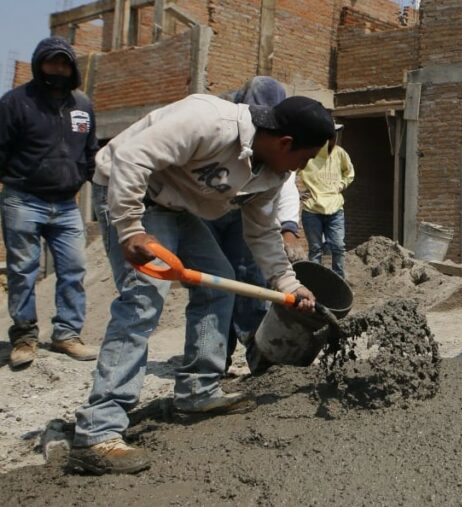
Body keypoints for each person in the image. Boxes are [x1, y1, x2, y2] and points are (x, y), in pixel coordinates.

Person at [68, 93, 335, 475]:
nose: (302, 168)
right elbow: (130, 157)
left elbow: (262, 231)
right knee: (143, 299)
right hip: (130, 192)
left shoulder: (273, 173)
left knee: (218, 285)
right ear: (285, 142)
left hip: (177, 206)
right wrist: (129, 228)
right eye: (305, 158)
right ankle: (98, 431)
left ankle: (197, 390)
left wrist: (289, 284)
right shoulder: (209, 121)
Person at [0, 37, 98, 369]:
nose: (58, 68)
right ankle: (24, 338)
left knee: (74, 268)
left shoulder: (82, 105)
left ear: (72, 68)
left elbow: (91, 152)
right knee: (22, 271)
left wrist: (91, 179)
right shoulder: (15, 102)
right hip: (23, 200)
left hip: (67, 204)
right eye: (51, 62)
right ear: (39, 64)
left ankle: (67, 334)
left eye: (64, 63)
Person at [205, 77, 305, 373]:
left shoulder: (279, 141)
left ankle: (260, 353)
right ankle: (213, 360)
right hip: (204, 210)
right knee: (213, 283)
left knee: (251, 278)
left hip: (243, 212)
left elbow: (283, 184)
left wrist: (288, 228)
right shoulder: (221, 125)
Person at [298, 123, 354, 279]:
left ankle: (339, 280)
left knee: (338, 246)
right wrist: (298, 193)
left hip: (335, 208)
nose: (332, 139)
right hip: (312, 209)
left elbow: (349, 173)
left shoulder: (340, 153)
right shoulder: (309, 153)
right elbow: (288, 173)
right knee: (315, 249)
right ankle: (315, 282)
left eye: (334, 135)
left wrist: (340, 185)